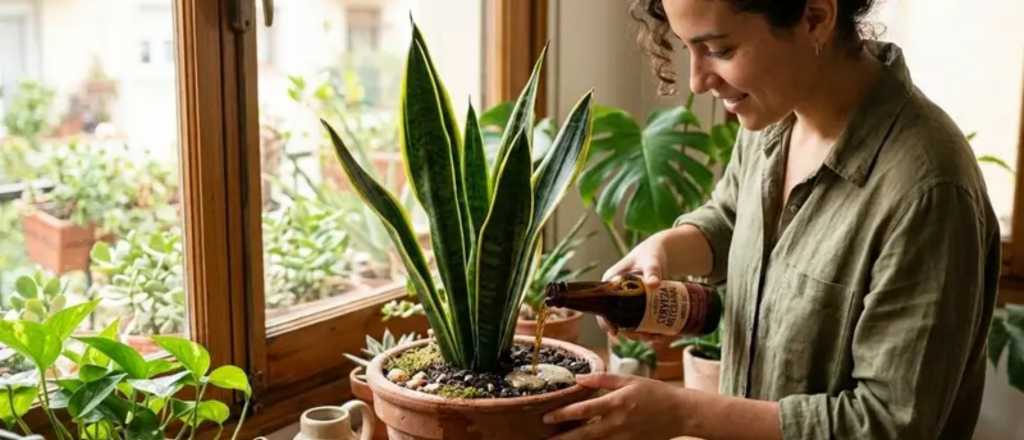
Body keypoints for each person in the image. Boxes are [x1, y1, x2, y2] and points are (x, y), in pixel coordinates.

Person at [543, 0, 1000, 439]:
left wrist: (683, 413)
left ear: (815, 17)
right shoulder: (774, 116)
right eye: (686, 48)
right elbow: (731, 218)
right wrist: (664, 249)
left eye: (719, 49)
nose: (697, 81)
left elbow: (887, 424)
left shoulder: (928, 190)